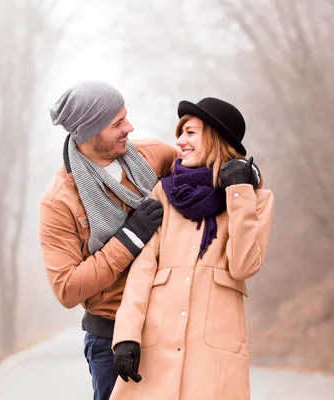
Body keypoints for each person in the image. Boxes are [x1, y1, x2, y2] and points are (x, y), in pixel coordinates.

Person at [110, 97, 275, 400]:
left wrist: (239, 194)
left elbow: (243, 266)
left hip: (213, 356)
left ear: (214, 139)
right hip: (156, 347)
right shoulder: (164, 191)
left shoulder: (256, 199)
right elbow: (142, 271)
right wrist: (126, 336)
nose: (180, 141)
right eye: (180, 132)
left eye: (190, 133)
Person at [38, 81, 180, 400]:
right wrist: (129, 238)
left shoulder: (152, 155)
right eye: (117, 123)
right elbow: (67, 288)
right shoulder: (60, 202)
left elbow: (208, 167)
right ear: (89, 134)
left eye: (125, 117)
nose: (129, 128)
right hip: (111, 340)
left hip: (172, 323)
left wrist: (242, 176)